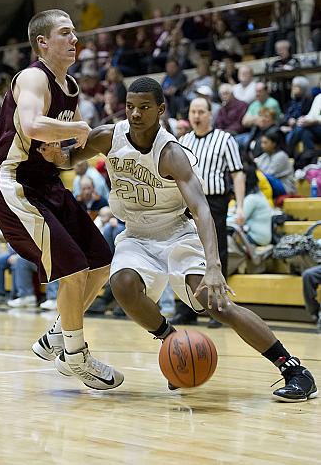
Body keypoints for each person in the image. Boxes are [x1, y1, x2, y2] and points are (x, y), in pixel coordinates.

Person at [40, 77, 317, 401]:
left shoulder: (171, 153)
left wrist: (214, 266)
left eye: (144, 107)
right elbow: (66, 159)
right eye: (130, 107)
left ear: (161, 109)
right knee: (123, 285)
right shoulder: (108, 136)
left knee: (218, 305)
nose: (136, 114)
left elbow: (201, 210)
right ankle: (172, 341)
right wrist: (51, 146)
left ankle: (293, 369)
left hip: (177, 233)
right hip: (136, 235)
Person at [0, 9, 123, 390]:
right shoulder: (32, 77)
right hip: (15, 185)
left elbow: (60, 153)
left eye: (75, 33)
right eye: (65, 33)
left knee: (101, 262)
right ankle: (75, 356)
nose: (75, 39)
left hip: (47, 183)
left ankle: (56, 335)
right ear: (42, 42)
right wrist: (77, 127)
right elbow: (31, 125)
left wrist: (61, 154)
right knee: (74, 271)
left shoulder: (71, 87)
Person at [171, 97, 245, 328]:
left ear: (210, 114)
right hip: (187, 203)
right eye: (193, 111)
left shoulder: (225, 139)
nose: (196, 116)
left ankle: (218, 309)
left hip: (215, 203)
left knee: (216, 254)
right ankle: (187, 309)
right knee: (187, 253)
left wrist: (240, 206)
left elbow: (238, 174)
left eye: (201, 111)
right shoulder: (183, 140)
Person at [255, 129, 296, 197]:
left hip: (285, 187)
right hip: (270, 185)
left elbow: (268, 175)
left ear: (274, 143)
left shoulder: (281, 156)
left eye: (265, 143)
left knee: (263, 177)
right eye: (262, 143)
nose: (262, 145)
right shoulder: (264, 156)